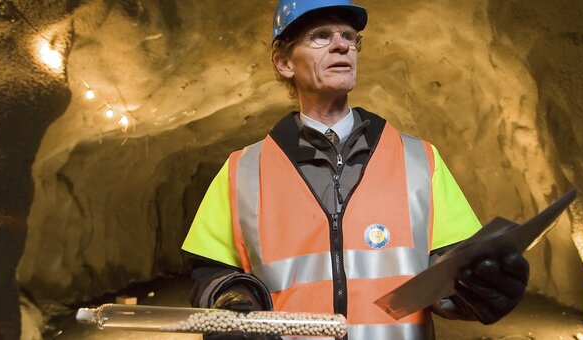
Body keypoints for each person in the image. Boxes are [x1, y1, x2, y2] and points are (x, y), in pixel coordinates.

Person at [182, 1, 529, 339]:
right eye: (321, 35)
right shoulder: (242, 170)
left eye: (349, 36)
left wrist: (477, 289)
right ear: (284, 62)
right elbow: (211, 270)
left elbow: (450, 268)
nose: (341, 45)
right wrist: (233, 301)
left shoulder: (420, 159)